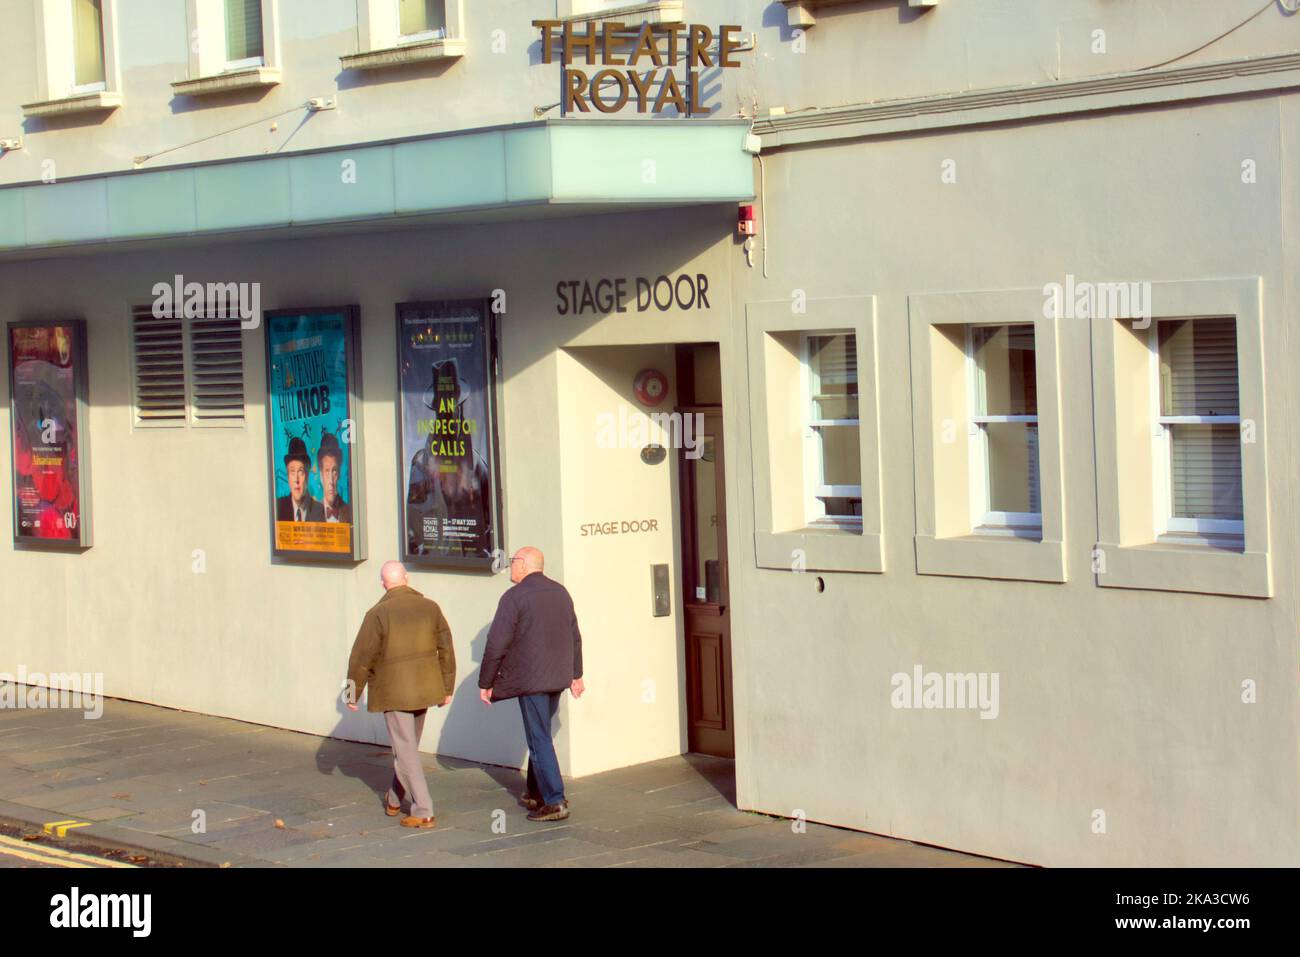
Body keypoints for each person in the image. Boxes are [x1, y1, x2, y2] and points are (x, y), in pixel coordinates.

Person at [346, 561, 456, 829]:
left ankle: (423, 809)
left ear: (383, 583)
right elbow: (446, 648)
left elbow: (361, 657)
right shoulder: (430, 607)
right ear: (406, 578)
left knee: (406, 751)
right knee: (408, 749)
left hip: (394, 691)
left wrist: (352, 693)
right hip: (427, 688)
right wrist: (447, 687)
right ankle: (395, 797)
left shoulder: (378, 613)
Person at [478, 547, 585, 822]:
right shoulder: (560, 592)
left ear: (523, 565)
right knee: (541, 734)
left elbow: (496, 643)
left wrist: (486, 682)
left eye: (512, 562)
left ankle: (555, 800)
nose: (509, 567)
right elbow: (574, 635)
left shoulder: (514, 597)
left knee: (539, 739)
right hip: (557, 678)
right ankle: (535, 793)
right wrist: (576, 674)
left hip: (532, 679)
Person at [276, 437, 324, 522]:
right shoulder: (278, 508)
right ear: (288, 477)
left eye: (300, 471)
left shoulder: (320, 511)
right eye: (292, 472)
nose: (296, 480)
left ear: (307, 475)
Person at [317, 432, 351, 524]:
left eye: (334, 471)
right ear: (321, 475)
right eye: (327, 471)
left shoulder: (350, 513)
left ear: (339, 474)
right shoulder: (311, 514)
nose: (331, 481)